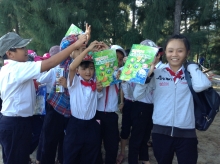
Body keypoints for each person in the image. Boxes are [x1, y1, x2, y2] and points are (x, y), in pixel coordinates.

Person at [0, 31, 87, 164]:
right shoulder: (16, 69)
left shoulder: (11, 69)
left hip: (16, 122)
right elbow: (50, 63)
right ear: (9, 53)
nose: (25, 51)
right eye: (21, 48)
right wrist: (76, 44)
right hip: (16, 123)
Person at [133, 34, 211, 164]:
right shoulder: (157, 73)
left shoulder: (191, 73)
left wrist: (191, 66)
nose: (174, 54)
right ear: (165, 52)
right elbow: (137, 95)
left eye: (180, 50)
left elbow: (202, 85)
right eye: (170, 50)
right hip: (161, 133)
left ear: (187, 52)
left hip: (187, 134)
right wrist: (146, 77)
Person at [40, 25, 91, 164]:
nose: (82, 53)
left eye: (83, 50)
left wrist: (86, 40)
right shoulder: (64, 60)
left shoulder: (85, 65)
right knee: (49, 143)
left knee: (66, 146)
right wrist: (80, 38)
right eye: (79, 49)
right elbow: (64, 44)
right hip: (56, 109)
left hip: (71, 114)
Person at [63, 40, 104, 164]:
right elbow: (71, 67)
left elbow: (107, 66)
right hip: (75, 126)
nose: (88, 72)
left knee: (91, 156)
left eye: (91, 68)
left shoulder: (96, 84)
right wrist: (87, 50)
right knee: (71, 156)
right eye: (84, 68)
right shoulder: (74, 82)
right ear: (78, 70)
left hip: (92, 125)